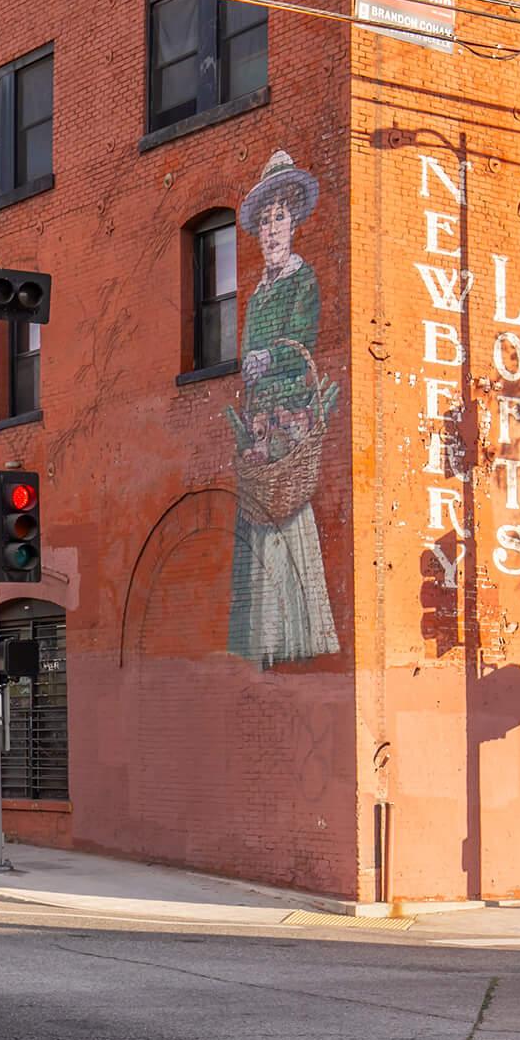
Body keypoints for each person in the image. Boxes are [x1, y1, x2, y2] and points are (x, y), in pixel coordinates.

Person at [227, 149, 339, 665]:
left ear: (293, 223)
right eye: (265, 222)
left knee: (290, 525)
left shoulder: (302, 281)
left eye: (279, 219)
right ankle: (262, 641)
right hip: (260, 430)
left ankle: (299, 636)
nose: (271, 231)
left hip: (291, 424)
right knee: (259, 528)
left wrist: (269, 359)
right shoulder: (254, 295)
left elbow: (302, 346)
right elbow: (247, 350)